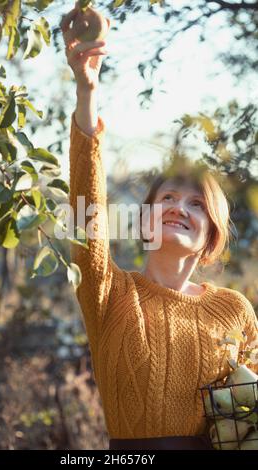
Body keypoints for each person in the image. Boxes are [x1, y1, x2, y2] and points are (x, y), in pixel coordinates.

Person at [60, 3, 258, 450]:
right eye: (167, 198)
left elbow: (250, 421)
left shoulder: (234, 310)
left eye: (196, 204)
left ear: (212, 233)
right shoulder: (108, 290)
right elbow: (85, 214)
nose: (179, 208)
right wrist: (86, 93)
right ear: (145, 219)